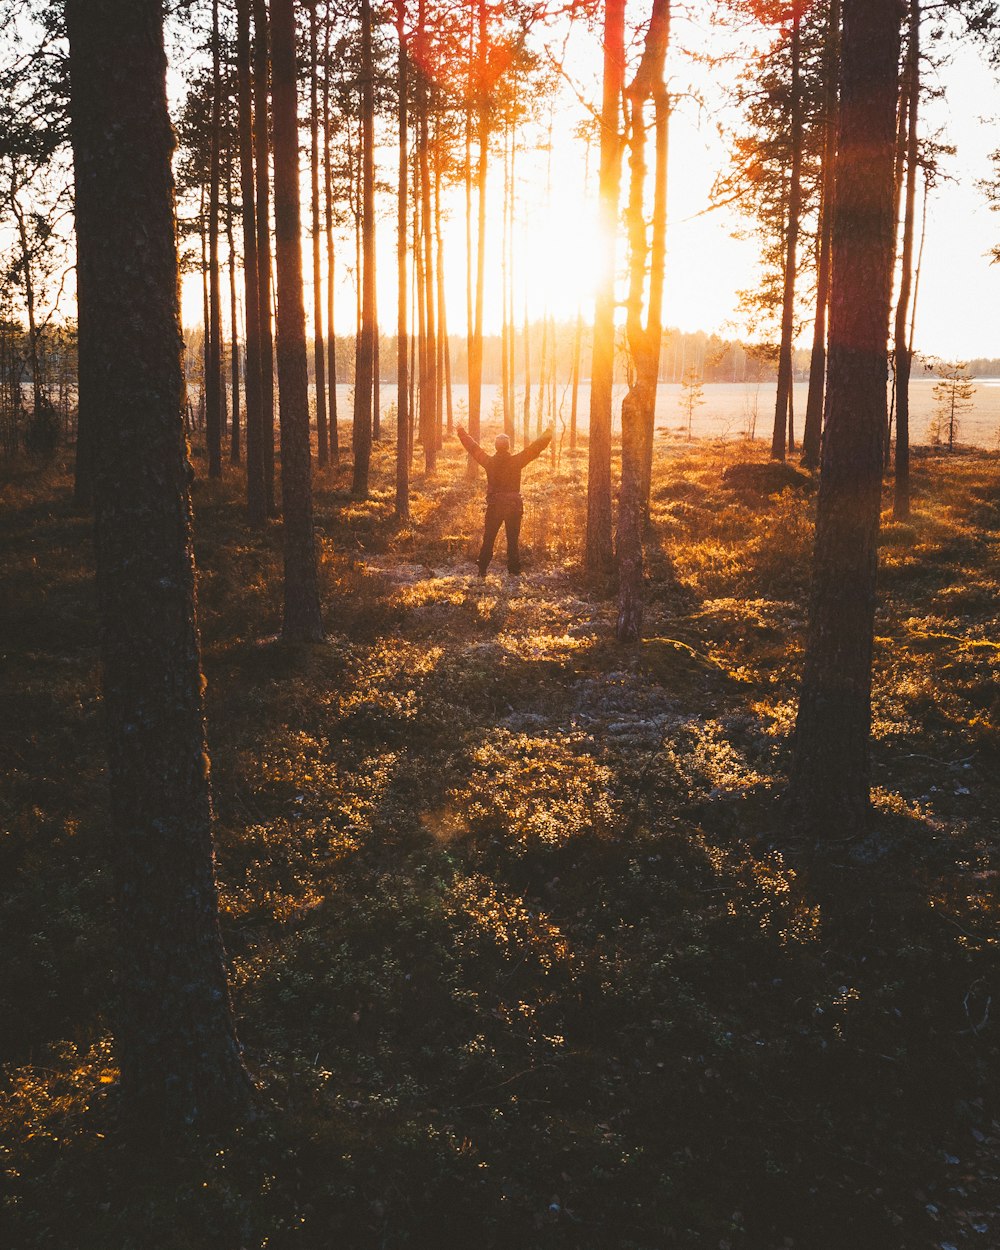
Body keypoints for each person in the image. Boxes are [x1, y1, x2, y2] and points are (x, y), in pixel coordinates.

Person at [457, 424, 553, 576]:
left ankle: (482, 570)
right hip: (514, 507)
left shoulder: (489, 462)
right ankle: (514, 571)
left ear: (496, 447)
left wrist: (461, 432)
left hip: (495, 507)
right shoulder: (517, 461)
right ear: (508, 447)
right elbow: (535, 448)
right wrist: (549, 431)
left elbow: (473, 448)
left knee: (488, 538)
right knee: (512, 541)